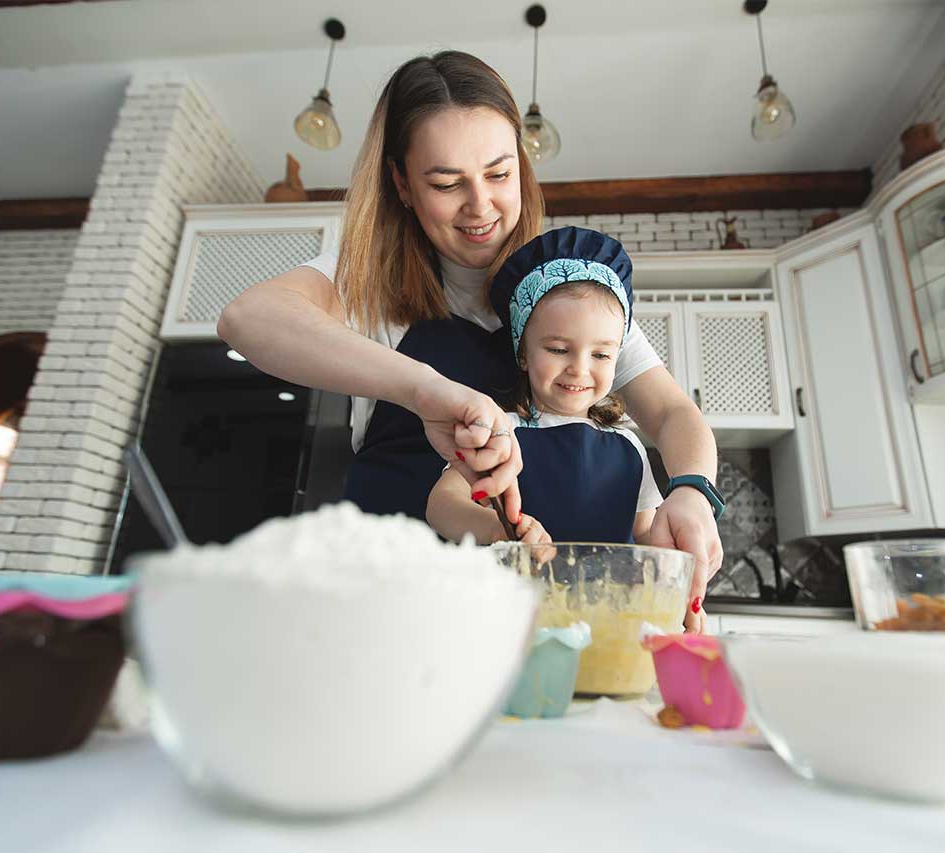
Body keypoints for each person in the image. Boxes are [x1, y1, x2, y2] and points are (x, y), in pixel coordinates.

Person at [216, 51, 723, 631]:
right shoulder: (367, 282)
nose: (480, 206)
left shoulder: (576, 296)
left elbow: (674, 412)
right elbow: (246, 317)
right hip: (386, 609)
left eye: (499, 174)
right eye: (446, 182)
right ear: (402, 185)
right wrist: (427, 392)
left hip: (516, 624)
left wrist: (691, 491)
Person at [427, 227, 662, 548]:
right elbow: (442, 504)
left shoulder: (630, 448)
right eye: (558, 349)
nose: (579, 368)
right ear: (524, 354)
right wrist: (498, 527)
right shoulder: (500, 433)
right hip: (515, 596)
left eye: (600, 354)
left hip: (608, 597)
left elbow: (645, 533)